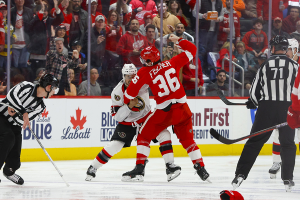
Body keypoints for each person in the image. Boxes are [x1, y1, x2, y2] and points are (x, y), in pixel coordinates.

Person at [121, 34, 211, 183]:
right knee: (188, 141)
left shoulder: (144, 72)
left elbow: (128, 95)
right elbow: (193, 49)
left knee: (143, 135)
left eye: (144, 60)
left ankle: (139, 169)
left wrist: (131, 100)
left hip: (165, 111)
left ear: (149, 61)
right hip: (183, 109)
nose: (142, 63)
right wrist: (177, 39)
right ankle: (201, 168)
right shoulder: (172, 62)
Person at [85, 64, 181, 182]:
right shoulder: (117, 92)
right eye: (128, 76)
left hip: (146, 119)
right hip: (127, 123)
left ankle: (170, 166)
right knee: (114, 145)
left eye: (133, 76)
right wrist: (129, 106)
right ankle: (93, 167)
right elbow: (118, 117)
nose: (130, 79)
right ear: (123, 76)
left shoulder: (143, 83)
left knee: (164, 134)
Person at [232, 35, 298, 192]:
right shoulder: (295, 66)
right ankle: (287, 178)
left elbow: (255, 90)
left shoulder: (264, 65)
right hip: (287, 109)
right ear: (286, 49)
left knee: (254, 142)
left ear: (273, 49)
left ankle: (240, 175)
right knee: (288, 144)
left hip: (266, 109)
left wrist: (253, 101)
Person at [0, 74, 59, 185]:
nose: (54, 92)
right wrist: (23, 111)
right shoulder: (26, 86)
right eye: (54, 89)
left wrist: (15, 111)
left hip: (15, 124)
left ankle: (8, 171)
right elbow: (11, 96)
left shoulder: (40, 107)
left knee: (15, 161)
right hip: (1, 116)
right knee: (8, 137)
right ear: (48, 87)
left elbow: (22, 121)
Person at [268, 38, 300, 179]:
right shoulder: (283, 64)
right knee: (278, 132)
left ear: (295, 50)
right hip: (287, 104)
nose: (286, 52)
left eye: (288, 49)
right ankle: (276, 162)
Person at [28, 0, 64, 80]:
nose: (43, 12)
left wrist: (57, 7)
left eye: (45, 10)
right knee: (35, 78)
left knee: (46, 78)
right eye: (41, 10)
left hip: (47, 56)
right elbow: (29, 27)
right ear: (37, 11)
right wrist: (39, 15)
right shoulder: (35, 20)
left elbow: (60, 19)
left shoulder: (50, 20)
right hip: (36, 55)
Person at [192, 0, 224, 68]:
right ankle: (200, 69)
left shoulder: (220, 2)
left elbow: (222, 15)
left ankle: (209, 70)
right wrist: (202, 16)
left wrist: (219, 19)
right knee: (201, 51)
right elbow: (194, 12)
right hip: (203, 29)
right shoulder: (201, 1)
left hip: (214, 30)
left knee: (211, 52)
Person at [11, 0, 34, 69]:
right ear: (15, 1)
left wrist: (31, 42)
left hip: (26, 45)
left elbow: (32, 28)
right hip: (14, 45)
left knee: (24, 68)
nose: (20, 0)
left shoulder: (29, 11)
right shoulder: (10, 12)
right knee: (14, 68)